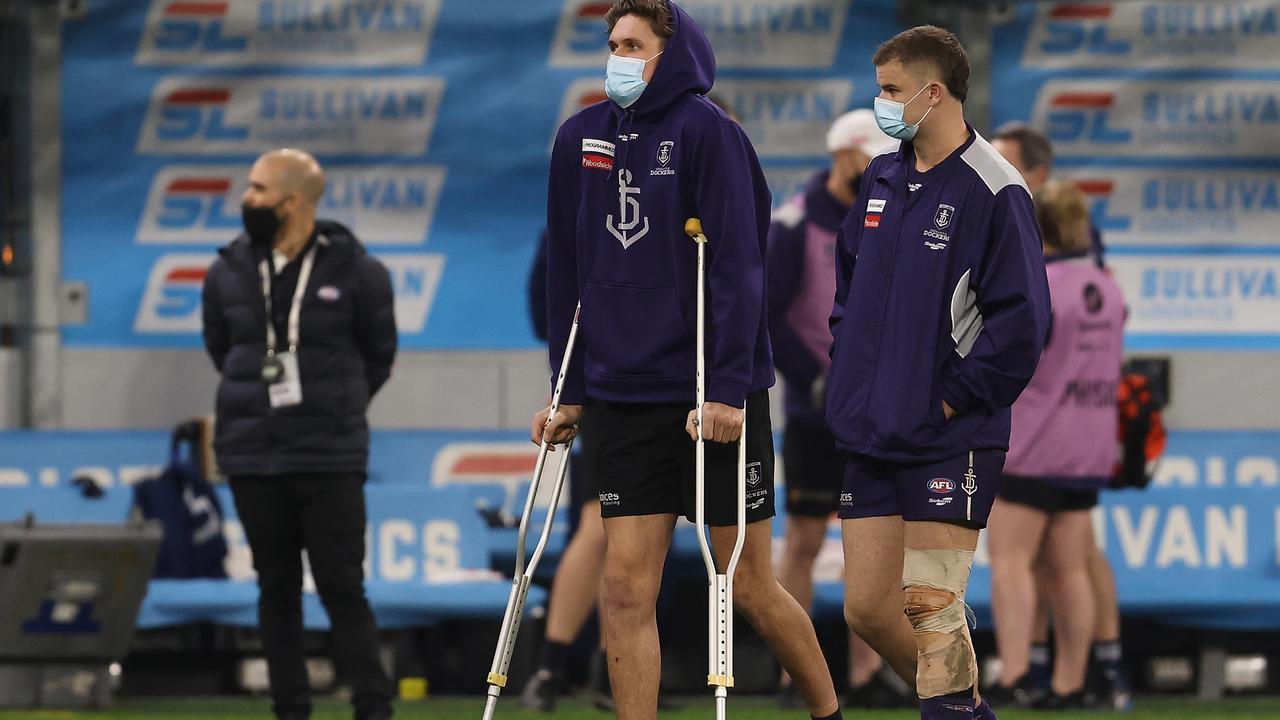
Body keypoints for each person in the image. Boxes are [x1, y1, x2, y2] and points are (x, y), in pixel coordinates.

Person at [534, 2, 843, 718]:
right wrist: (567, 388)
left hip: (709, 394)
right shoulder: (578, 138)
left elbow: (739, 270)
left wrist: (732, 388)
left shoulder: (711, 135)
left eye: (633, 44)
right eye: (611, 43)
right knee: (622, 587)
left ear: (670, 53)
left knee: (750, 587)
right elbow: (565, 273)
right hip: (619, 392)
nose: (617, 56)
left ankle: (830, 713)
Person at [825, 26, 1051, 720]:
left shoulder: (996, 187)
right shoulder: (882, 176)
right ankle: (966, 711)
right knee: (866, 610)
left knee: (931, 608)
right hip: (871, 428)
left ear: (933, 92)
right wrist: (853, 373)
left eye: (890, 90)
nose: (881, 103)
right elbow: (849, 291)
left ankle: (949, 709)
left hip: (952, 435)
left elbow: (1024, 325)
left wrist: (950, 403)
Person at [201, 148, 397, 720]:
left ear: (292, 202)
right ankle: (290, 709)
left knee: (342, 586)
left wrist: (336, 405)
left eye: (258, 189)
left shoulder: (359, 271)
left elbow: (377, 357)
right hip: (252, 455)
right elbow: (222, 349)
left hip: (329, 455)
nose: (247, 198)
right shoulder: (226, 269)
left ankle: (372, 707)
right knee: (275, 588)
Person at [768, 109, 913, 710]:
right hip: (813, 413)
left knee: (876, 543)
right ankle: (789, 677)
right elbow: (767, 317)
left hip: (878, 411)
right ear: (845, 155)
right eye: (873, 156)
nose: (883, 166)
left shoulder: (892, 215)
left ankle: (866, 673)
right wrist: (816, 376)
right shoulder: (794, 223)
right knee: (801, 540)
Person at [990, 123, 1133, 711]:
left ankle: (1017, 671)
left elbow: (1008, 356)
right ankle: (1073, 683)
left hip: (1033, 442)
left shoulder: (1039, 285)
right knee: (1071, 570)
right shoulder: (1108, 286)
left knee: (1011, 562)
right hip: (1089, 447)